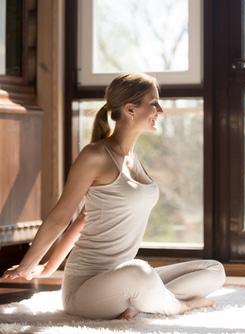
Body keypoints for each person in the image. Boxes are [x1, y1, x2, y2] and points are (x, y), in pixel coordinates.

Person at [2, 72, 226, 320]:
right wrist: (30, 265)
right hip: (86, 290)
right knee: (140, 272)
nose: (160, 110)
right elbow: (62, 215)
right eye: (153, 103)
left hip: (124, 278)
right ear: (130, 109)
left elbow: (85, 218)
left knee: (214, 270)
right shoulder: (95, 155)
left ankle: (141, 302)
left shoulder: (134, 159)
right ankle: (183, 306)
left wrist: (50, 266)